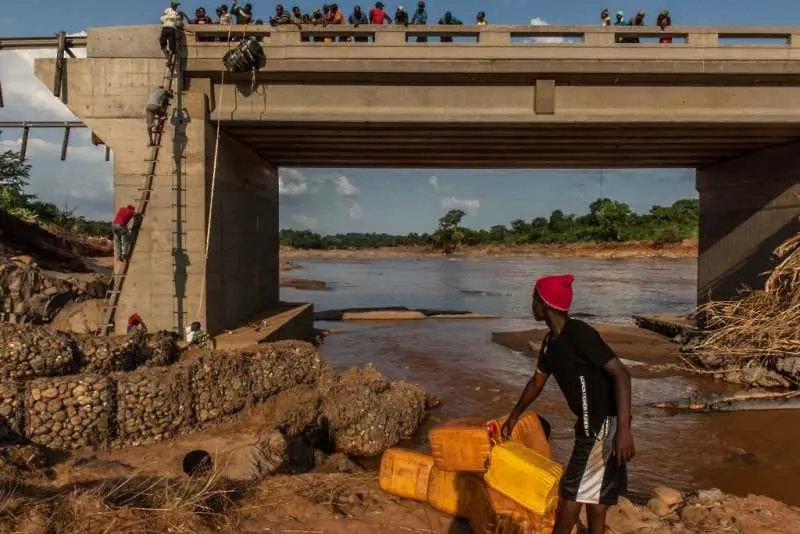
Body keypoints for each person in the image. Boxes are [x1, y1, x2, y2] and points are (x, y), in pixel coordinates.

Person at [502, 274, 634, 534]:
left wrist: (624, 430)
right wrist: (514, 416)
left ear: (545, 304)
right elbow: (536, 382)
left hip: (603, 426)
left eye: (534, 299)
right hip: (587, 426)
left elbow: (621, 374)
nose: (531, 304)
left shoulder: (580, 334)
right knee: (596, 496)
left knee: (571, 493)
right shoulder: (550, 343)